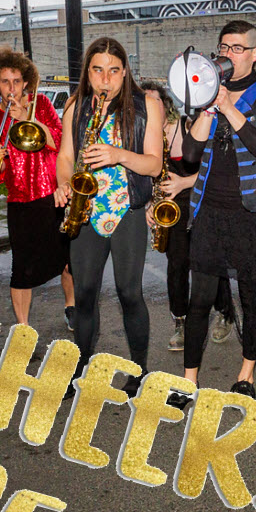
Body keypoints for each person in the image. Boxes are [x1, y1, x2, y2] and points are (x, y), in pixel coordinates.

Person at [179, 20, 256, 400]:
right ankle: (189, 381)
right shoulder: (208, 93)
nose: (227, 54)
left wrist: (229, 107)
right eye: (223, 46)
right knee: (200, 300)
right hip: (209, 210)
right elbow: (189, 156)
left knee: (252, 297)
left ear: (255, 54)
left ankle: (246, 374)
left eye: (237, 48)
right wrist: (209, 108)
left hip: (251, 211)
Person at [55, 38, 163, 397]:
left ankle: (139, 370)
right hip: (86, 210)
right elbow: (65, 157)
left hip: (127, 209)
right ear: (88, 72)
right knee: (84, 293)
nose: (106, 79)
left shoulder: (147, 104)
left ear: (125, 71)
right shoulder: (76, 106)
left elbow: (154, 164)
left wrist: (118, 154)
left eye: (114, 70)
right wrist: (62, 183)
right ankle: (81, 368)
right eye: (98, 70)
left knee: (129, 292)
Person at [0, 47, 74, 328]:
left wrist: (26, 119)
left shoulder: (41, 103)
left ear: (26, 82)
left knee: (68, 260)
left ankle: (71, 307)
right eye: (5, 82)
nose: (12, 88)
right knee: (20, 267)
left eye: (17, 81)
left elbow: (58, 140)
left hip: (53, 194)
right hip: (19, 199)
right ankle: (23, 327)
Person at [140, 80, 236, 352]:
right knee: (177, 265)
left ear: (165, 102)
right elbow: (143, 176)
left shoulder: (188, 125)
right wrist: (150, 203)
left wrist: (183, 183)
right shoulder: (145, 133)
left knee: (210, 261)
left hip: (202, 199)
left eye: (154, 99)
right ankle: (180, 321)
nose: (149, 106)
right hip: (171, 208)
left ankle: (224, 312)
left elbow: (216, 168)